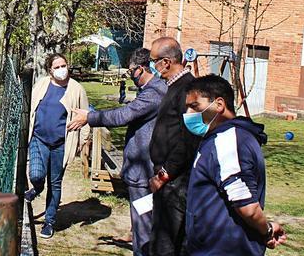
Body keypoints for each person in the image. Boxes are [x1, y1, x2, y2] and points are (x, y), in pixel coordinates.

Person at [68, 47, 167, 256]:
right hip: (142, 168)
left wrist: (90, 118)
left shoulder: (155, 92)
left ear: (141, 68)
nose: (130, 76)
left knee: (144, 226)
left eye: (131, 72)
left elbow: (124, 115)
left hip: (144, 171)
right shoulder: (151, 90)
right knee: (143, 221)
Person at [183, 75, 286, 255]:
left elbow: (247, 206)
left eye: (194, 106)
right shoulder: (220, 138)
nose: (188, 114)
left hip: (225, 249)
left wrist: (267, 230)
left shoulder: (228, 142)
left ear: (219, 105)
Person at [25, 53, 91, 239]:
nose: (62, 70)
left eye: (64, 65)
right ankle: (36, 188)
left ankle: (49, 221)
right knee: (37, 174)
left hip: (61, 144)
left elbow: (85, 116)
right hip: (39, 138)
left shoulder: (76, 89)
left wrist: (82, 141)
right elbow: (31, 107)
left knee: (55, 183)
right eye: (57, 67)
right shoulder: (42, 85)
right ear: (50, 71)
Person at [147, 37, 200, 256]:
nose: (153, 67)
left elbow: (189, 138)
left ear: (166, 62)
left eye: (153, 61)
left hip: (175, 183)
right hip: (167, 179)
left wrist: (165, 174)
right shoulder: (174, 86)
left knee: (167, 244)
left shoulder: (187, 89)